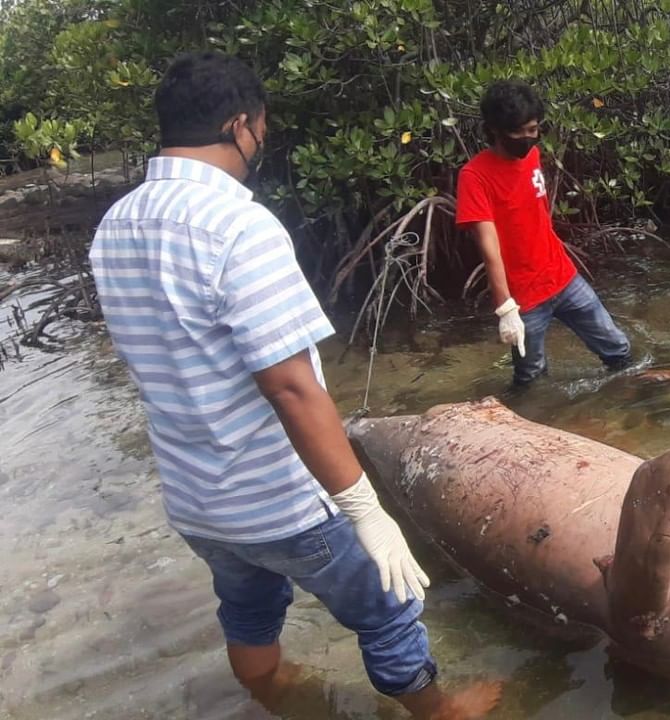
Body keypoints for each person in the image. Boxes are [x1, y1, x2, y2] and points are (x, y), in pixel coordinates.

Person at [89, 51, 498, 719]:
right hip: (279, 502)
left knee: (247, 605)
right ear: (241, 125)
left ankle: (272, 691)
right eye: (263, 129)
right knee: (389, 605)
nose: (263, 141)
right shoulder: (237, 227)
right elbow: (291, 387)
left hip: (196, 501)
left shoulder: (116, 226)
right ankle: (440, 712)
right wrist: (366, 512)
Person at [456, 80, 633, 386]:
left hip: (563, 277)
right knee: (531, 378)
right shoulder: (474, 176)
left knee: (619, 350)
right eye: (519, 132)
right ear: (495, 130)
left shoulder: (533, 156)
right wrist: (505, 308)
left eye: (533, 130)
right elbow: (488, 245)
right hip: (523, 299)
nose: (528, 139)